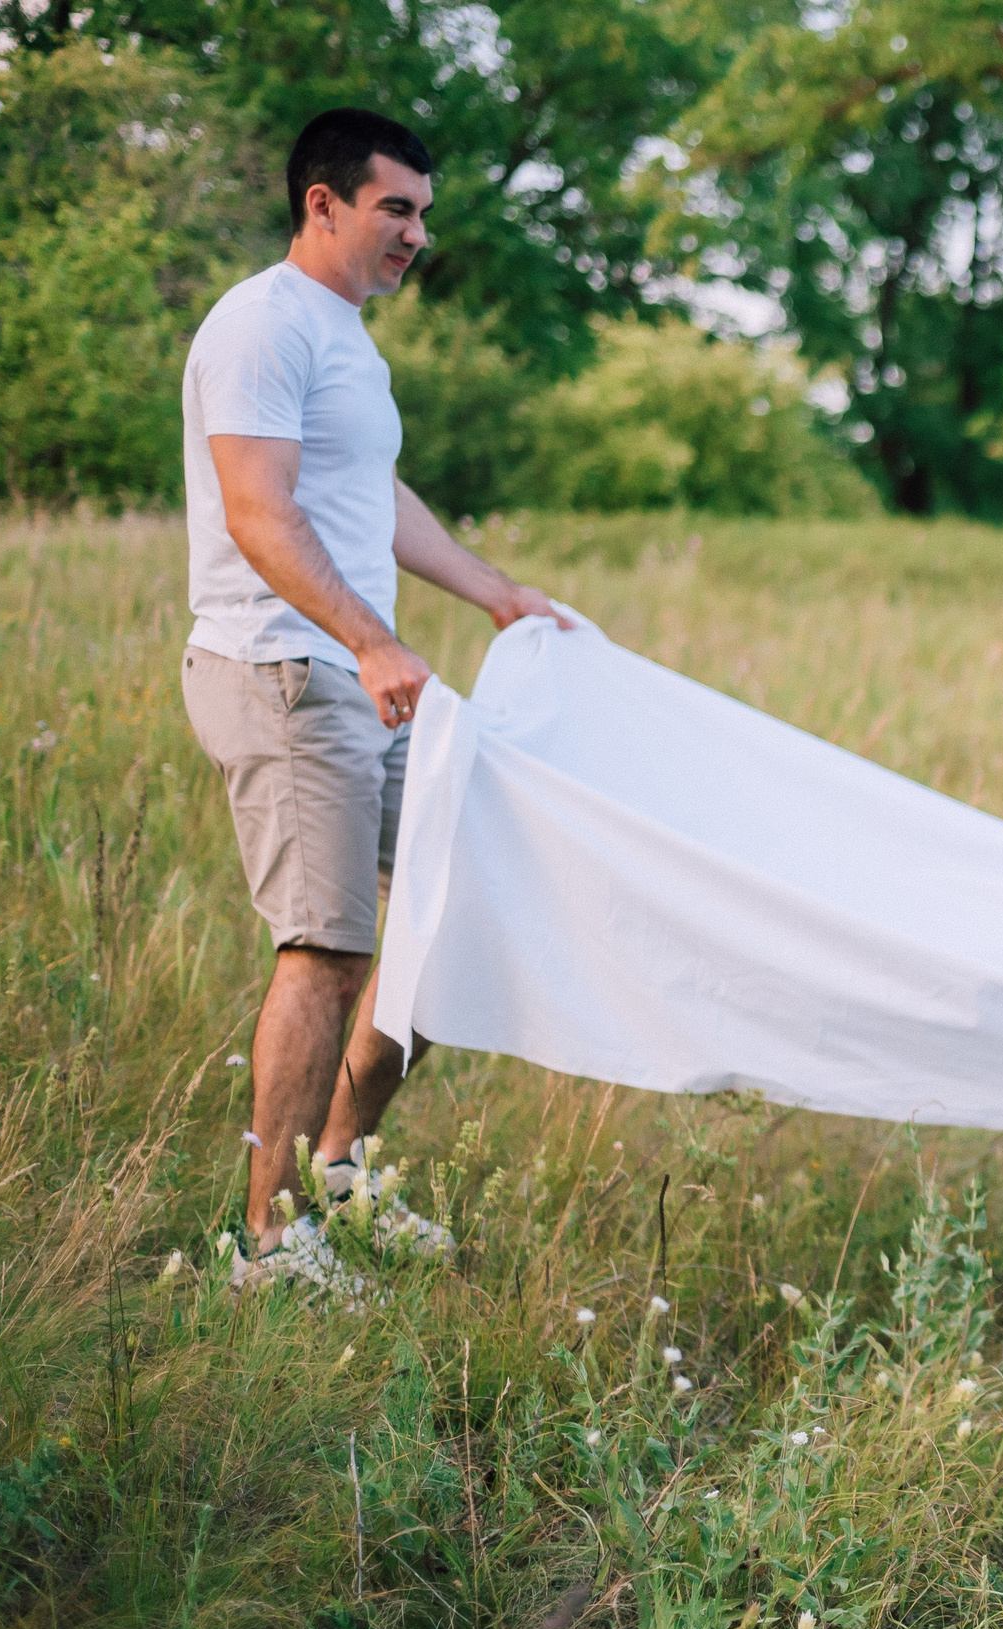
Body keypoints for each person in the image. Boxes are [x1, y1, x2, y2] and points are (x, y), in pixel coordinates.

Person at [179, 108, 570, 1278]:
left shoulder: (345, 333)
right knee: (328, 949)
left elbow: (373, 495)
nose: (416, 235)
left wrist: (496, 593)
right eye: (396, 208)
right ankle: (268, 1241)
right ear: (323, 203)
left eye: (423, 214)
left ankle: (339, 1173)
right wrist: (369, 640)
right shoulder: (262, 324)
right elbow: (258, 512)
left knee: (466, 887)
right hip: (286, 672)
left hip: (351, 669)